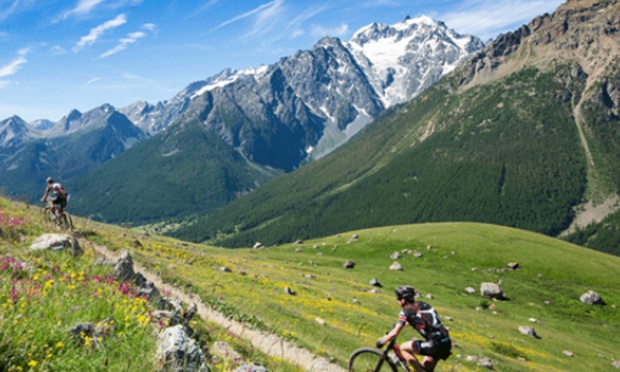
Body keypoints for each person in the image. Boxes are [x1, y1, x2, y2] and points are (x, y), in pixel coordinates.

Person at [376, 285, 452, 371]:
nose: (397, 301)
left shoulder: (405, 312)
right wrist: (397, 325)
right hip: (445, 341)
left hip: (434, 343)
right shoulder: (423, 305)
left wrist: (382, 342)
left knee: (403, 348)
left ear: (403, 300)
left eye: (398, 298)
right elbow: (419, 320)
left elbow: (395, 333)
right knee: (426, 367)